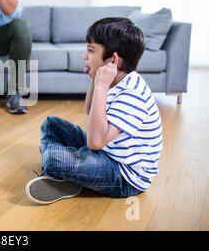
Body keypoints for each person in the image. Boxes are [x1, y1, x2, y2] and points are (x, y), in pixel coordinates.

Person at [25, 17, 163, 204]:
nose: (84, 56)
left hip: (125, 175)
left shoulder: (132, 94)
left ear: (113, 60)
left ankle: (60, 171)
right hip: (108, 150)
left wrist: (101, 87)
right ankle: (68, 174)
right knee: (52, 124)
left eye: (90, 50)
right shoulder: (118, 80)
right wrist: (95, 80)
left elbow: (95, 142)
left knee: (55, 158)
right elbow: (90, 111)